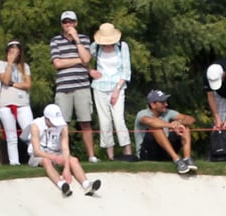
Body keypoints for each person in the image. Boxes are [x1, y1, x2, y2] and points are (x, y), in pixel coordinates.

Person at [50, 10, 97, 162]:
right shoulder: (55, 41)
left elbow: (87, 58)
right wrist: (79, 60)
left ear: (76, 23)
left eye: (70, 22)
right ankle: (64, 155)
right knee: (63, 124)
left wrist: (76, 39)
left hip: (82, 86)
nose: (68, 25)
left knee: (85, 122)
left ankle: (91, 156)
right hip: (63, 88)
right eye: (65, 22)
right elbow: (57, 63)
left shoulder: (84, 39)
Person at [28, 103, 100, 197]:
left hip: (56, 152)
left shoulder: (63, 126)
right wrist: (53, 158)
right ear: (47, 119)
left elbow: (65, 148)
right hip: (39, 155)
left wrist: (66, 168)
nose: (56, 124)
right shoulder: (36, 125)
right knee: (46, 161)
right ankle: (62, 185)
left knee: (73, 160)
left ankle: (87, 185)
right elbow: (36, 151)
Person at [89, 23, 133, 161]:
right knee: (105, 121)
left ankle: (128, 152)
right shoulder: (95, 47)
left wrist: (117, 90)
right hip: (99, 87)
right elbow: (84, 60)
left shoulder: (122, 47)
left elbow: (126, 70)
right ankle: (111, 156)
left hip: (117, 87)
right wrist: (89, 71)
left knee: (119, 120)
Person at [134, 89, 197, 175]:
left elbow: (190, 119)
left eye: (166, 102)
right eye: (162, 102)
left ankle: (187, 159)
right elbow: (151, 122)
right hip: (147, 153)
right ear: (153, 104)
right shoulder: (142, 114)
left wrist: (180, 124)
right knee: (155, 128)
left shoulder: (168, 112)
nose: (166, 104)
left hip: (164, 150)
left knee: (185, 127)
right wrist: (172, 126)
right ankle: (177, 159)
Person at [0, 40, 33, 166]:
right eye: (11, 52)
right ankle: (14, 162)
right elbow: (5, 80)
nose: (14, 55)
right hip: (6, 104)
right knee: (11, 136)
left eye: (16, 53)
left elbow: (28, 84)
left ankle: (35, 157)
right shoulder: (1, 64)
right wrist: (10, 64)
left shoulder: (25, 66)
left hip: (22, 103)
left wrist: (13, 84)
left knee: (30, 133)